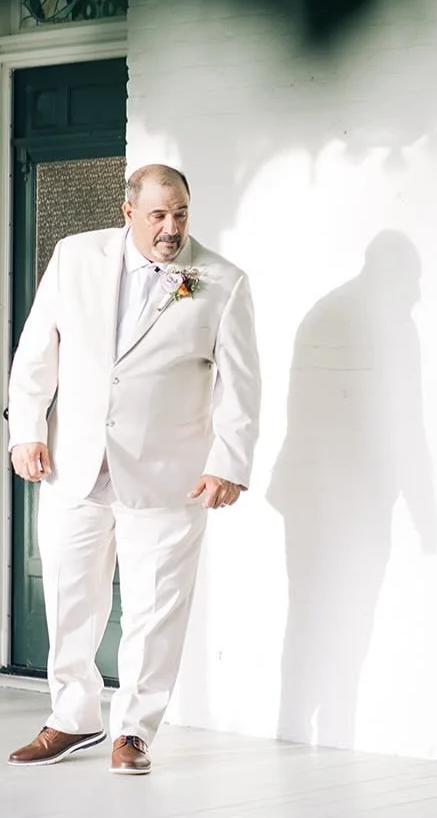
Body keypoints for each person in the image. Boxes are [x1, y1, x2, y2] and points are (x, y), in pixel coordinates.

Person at [5, 164, 261, 775]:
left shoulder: (220, 281)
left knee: (155, 607)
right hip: (75, 464)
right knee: (71, 597)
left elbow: (241, 385)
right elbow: (38, 348)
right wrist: (27, 431)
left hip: (171, 473)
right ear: (128, 212)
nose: (171, 228)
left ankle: (136, 732)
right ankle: (72, 717)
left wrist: (229, 462)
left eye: (180, 215)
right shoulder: (74, 257)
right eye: (158, 216)